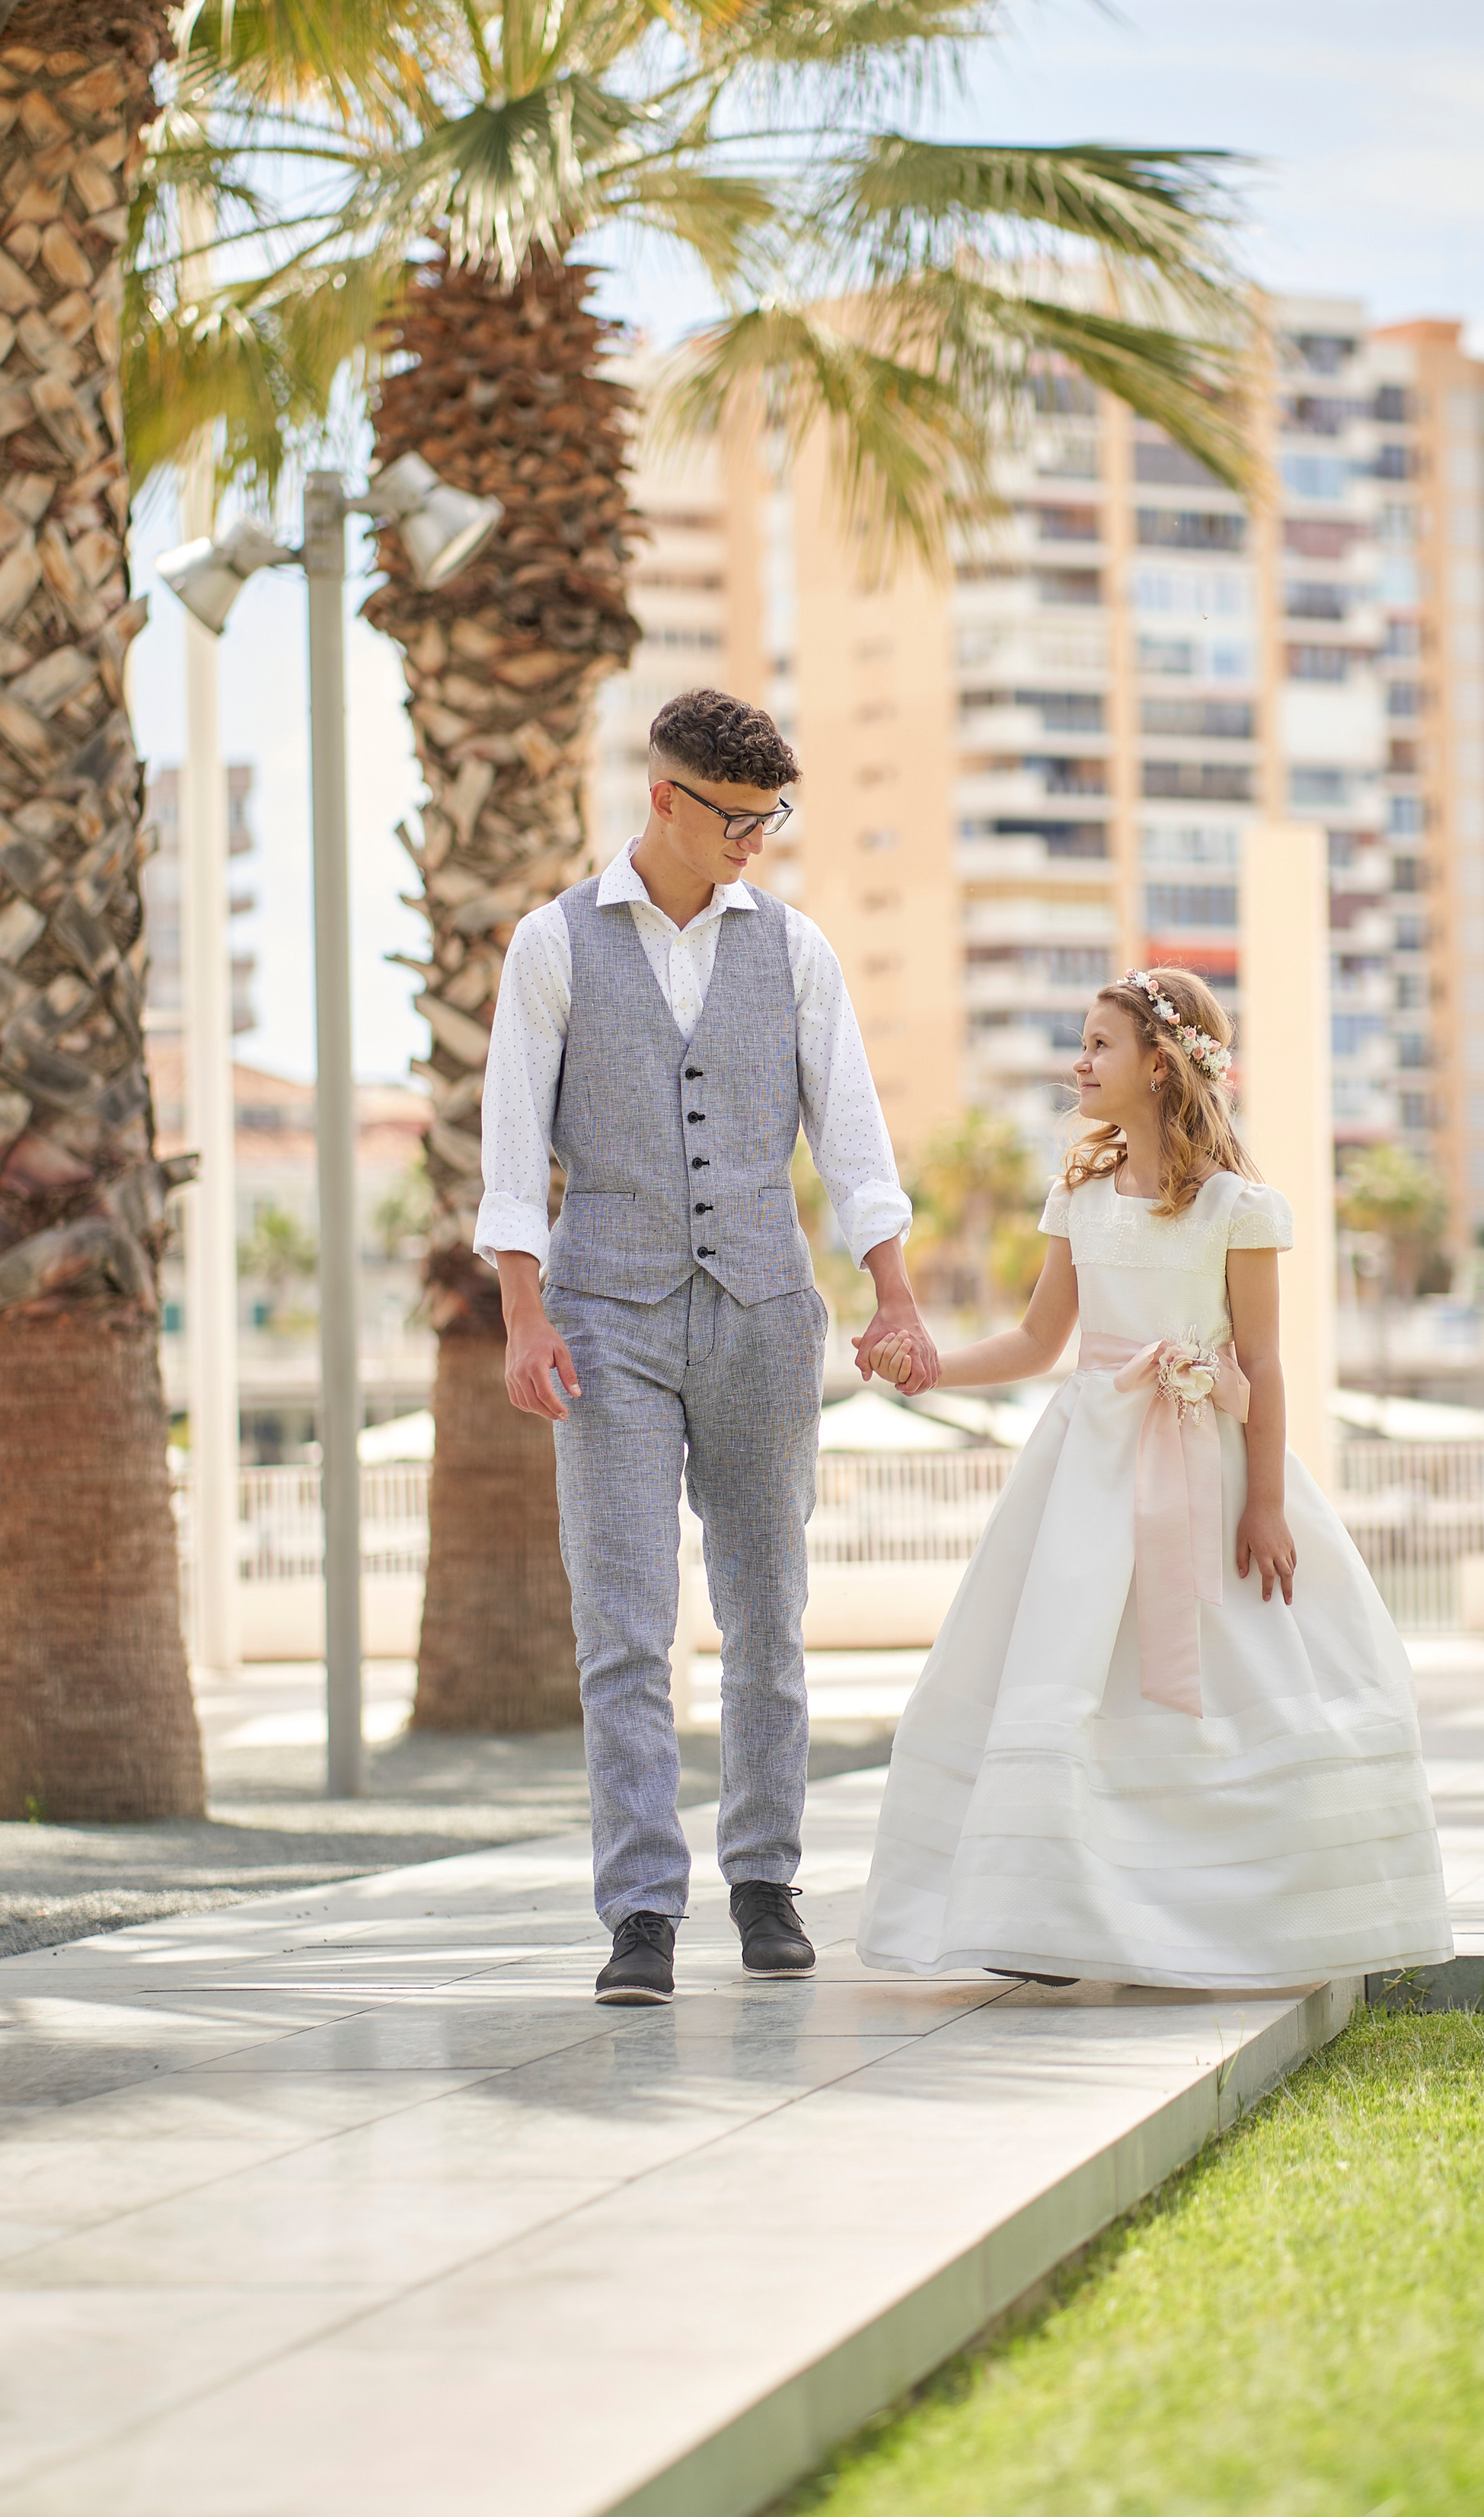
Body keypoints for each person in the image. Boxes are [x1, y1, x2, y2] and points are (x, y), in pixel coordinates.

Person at [860, 967, 1452, 1993]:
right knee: (1062, 1666)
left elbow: (1262, 1366)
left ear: (1163, 1066)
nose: (1077, 1063)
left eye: (1098, 1045)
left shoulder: (1239, 1208)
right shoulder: (1079, 1196)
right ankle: (1038, 1911)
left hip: (1207, 1463)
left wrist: (1265, 1502)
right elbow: (1044, 1340)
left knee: (1225, 1676)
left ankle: (1222, 1902)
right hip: (1087, 1471)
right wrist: (930, 1366)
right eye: (1081, 1042)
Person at [477, 688, 936, 2006]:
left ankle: (766, 1880)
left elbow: (852, 1139)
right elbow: (513, 1151)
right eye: (735, 818)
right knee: (623, 1625)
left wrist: (891, 1295)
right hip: (601, 1314)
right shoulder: (552, 945)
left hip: (762, 1309)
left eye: (770, 818)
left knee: (767, 1615)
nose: (754, 841)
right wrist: (522, 1314)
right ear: (666, 800)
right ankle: (639, 1912)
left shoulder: (795, 951)